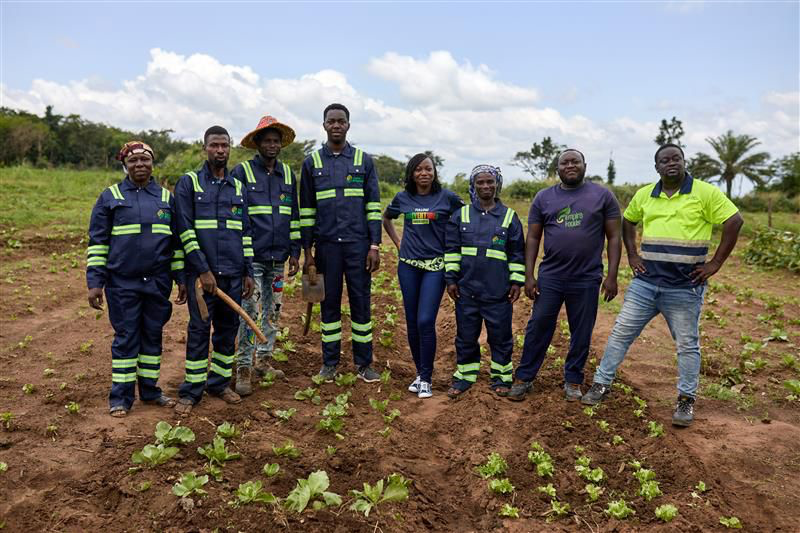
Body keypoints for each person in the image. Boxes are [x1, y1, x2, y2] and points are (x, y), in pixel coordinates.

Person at [581, 144, 744, 427]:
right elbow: (628, 221)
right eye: (664, 160)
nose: (671, 163)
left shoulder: (704, 192)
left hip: (684, 287)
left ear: (683, 161)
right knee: (620, 333)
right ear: (656, 167)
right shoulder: (646, 194)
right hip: (646, 284)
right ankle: (601, 384)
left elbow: (734, 221)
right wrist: (632, 254)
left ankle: (686, 400)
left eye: (676, 158)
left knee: (686, 344)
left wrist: (715, 263)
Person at [507, 149, 622, 401]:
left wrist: (612, 276)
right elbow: (534, 237)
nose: (570, 165)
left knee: (581, 330)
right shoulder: (543, 197)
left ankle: (573, 380)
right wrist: (529, 275)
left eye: (575, 161)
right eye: (564, 162)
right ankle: (525, 377)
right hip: (551, 276)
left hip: (587, 277)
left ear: (584, 165)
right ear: (557, 168)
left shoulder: (602, 196)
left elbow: (614, 237)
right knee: (538, 326)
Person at [86, 141, 187, 417]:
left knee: (153, 337)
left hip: (157, 282)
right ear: (125, 165)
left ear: (152, 163)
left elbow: (175, 244)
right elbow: (98, 243)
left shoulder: (167, 199)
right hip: (122, 283)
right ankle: (121, 398)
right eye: (133, 161)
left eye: (145, 159)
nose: (140, 165)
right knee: (126, 337)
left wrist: (179, 277)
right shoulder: (110, 197)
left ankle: (151, 391)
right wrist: (95, 282)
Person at [173, 126, 255, 416]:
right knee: (198, 330)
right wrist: (203, 270)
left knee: (227, 331)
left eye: (224, 145)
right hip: (201, 278)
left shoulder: (237, 187)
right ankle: (191, 391)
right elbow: (184, 231)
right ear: (204, 148)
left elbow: (244, 233)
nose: (220, 150)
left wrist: (247, 272)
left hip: (233, 274)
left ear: (230, 148)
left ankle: (219, 384)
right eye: (214, 145)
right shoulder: (189, 184)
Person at [299, 103, 383, 383]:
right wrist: (308, 254)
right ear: (324, 125)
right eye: (331, 121)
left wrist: (374, 246)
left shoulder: (363, 160)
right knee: (329, 305)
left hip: (358, 247)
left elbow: (373, 207)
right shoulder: (312, 163)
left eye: (341, 121)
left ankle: (364, 365)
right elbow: (307, 211)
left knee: (361, 305)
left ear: (348, 125)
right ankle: (330, 363)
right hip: (326, 248)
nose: (336, 125)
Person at [383, 153, 464, 398]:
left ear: (434, 172)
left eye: (428, 169)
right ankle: (420, 374)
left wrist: (455, 246)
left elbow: (465, 218)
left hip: (435, 267)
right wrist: (398, 243)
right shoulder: (403, 198)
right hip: (408, 265)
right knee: (411, 321)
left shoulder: (447, 197)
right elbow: (386, 218)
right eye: (418, 169)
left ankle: (427, 378)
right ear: (411, 173)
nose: (424, 173)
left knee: (425, 320)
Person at [231, 116, 300, 396]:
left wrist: (295, 252)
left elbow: (292, 216)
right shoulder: (242, 172)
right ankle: (244, 367)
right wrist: (243, 257)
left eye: (276, 140)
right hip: (252, 259)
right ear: (257, 143)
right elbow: (237, 217)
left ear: (281, 145)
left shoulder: (287, 175)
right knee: (249, 312)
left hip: (278, 259)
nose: (272, 145)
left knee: (273, 312)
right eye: (266, 140)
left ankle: (265, 360)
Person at [444, 165, 525, 398]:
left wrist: (516, 282)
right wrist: (451, 279)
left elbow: (517, 253)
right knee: (466, 336)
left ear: (497, 184)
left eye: (490, 182)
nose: (485, 186)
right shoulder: (461, 215)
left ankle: (501, 377)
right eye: (480, 182)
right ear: (473, 185)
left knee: (500, 336)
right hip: (466, 291)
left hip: (497, 292)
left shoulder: (509, 217)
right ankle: (465, 376)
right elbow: (451, 250)